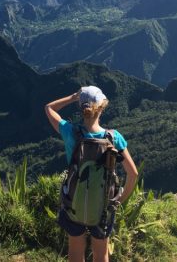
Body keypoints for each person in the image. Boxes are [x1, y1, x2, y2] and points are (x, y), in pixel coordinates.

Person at [45, 86, 139, 262]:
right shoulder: (114, 137)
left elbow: (49, 108)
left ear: (81, 108)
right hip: (103, 206)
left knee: (75, 251)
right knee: (101, 253)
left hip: (73, 201)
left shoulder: (70, 132)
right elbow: (132, 174)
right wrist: (117, 201)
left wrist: (73, 97)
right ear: (102, 107)